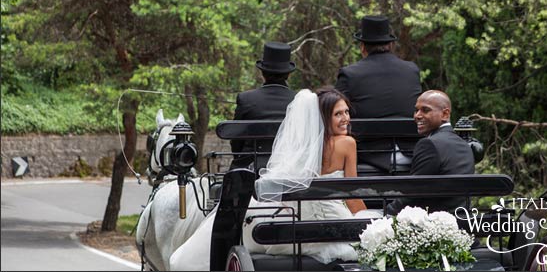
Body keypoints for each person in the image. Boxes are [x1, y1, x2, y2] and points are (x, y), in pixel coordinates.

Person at [169, 88, 378, 270]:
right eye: (338, 114)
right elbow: (352, 196)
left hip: (300, 222)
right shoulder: (347, 143)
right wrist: (370, 221)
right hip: (331, 221)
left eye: (346, 112)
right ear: (324, 118)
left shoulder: (302, 148)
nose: (345, 118)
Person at [335, 15, 422, 172]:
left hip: (369, 155)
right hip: (412, 152)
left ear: (362, 46)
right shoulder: (412, 70)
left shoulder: (349, 74)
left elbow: (335, 115)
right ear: (390, 44)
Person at [386, 90, 475, 215]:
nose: (417, 115)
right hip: (461, 220)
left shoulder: (429, 144)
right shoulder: (464, 144)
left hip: (434, 222)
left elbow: (413, 191)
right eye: (416, 110)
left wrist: (387, 212)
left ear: (445, 114)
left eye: (425, 110)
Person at [230, 41, 297, 170]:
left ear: (262, 73)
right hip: (289, 167)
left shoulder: (246, 98)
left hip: (250, 167)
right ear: (288, 74)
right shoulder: (298, 100)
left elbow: (236, 141)